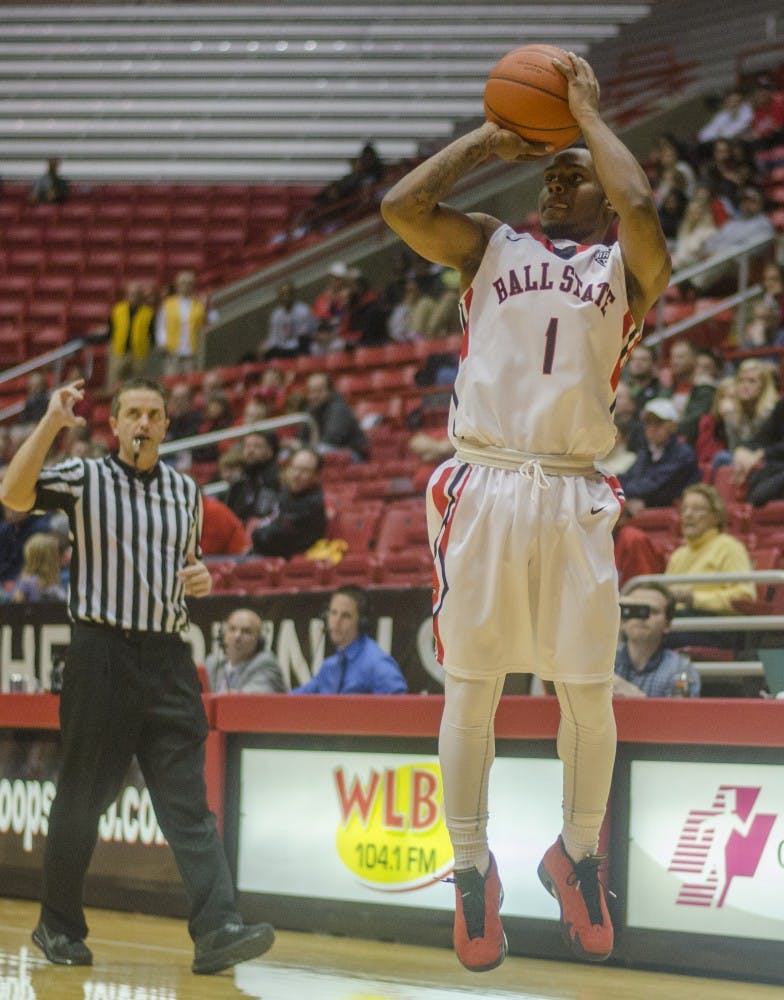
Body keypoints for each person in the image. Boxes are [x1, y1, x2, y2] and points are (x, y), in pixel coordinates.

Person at [380, 51, 671, 969]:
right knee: (474, 688)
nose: (553, 182)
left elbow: (644, 205)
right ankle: (472, 872)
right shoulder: (488, 244)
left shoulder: (629, 269)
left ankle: (574, 856)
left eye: (570, 175)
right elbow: (400, 210)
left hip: (575, 487)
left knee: (588, 693)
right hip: (488, 480)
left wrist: (583, 118)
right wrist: (486, 139)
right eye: (547, 172)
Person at [0, 376, 274, 974]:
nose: (144, 423)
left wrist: (201, 579)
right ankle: (58, 925)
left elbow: (187, 567)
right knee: (81, 799)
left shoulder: (187, 493)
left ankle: (218, 927)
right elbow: (13, 495)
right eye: (133, 414)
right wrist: (50, 423)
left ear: (167, 426)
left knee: (189, 806)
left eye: (154, 414)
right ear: (116, 426)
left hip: (169, 658)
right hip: (101, 654)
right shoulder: (86, 477)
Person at [291, 585, 407, 694]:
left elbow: (401, 708)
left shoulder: (376, 663)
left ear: (362, 622)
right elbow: (293, 699)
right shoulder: (329, 667)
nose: (336, 621)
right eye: (333, 613)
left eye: (346, 616)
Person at [665, 484, 756, 616]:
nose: (688, 515)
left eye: (697, 509)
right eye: (684, 509)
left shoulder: (729, 547)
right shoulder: (678, 555)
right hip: (677, 621)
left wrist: (694, 598)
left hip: (714, 625)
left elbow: (744, 597)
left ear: (716, 517)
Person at [614, 583, 701, 697]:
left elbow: (680, 713)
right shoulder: (603, 663)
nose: (642, 617)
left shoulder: (681, 669)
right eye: (635, 610)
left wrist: (635, 697)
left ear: (667, 625)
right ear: (622, 619)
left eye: (652, 611)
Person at [619, 398, 700, 512]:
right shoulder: (645, 452)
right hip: (644, 508)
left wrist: (623, 492)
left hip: (669, 512)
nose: (652, 428)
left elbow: (655, 488)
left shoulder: (683, 454)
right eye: (648, 423)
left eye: (658, 423)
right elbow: (628, 478)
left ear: (672, 425)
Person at [250, 446, 327, 557]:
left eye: (304, 470)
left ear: (316, 476)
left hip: (287, 563)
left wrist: (258, 533)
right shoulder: (286, 494)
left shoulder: (312, 504)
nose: (297, 475)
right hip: (263, 556)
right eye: (294, 468)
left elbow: (272, 537)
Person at [205, 608, 285, 693]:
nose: (237, 636)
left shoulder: (266, 663)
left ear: (259, 640)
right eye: (232, 629)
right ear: (223, 635)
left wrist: (230, 697)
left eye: (246, 631)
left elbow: (254, 695)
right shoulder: (212, 664)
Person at [303, 372, 368, 461]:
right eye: (310, 391)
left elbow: (331, 440)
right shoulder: (310, 409)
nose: (313, 395)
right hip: (324, 449)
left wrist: (306, 448)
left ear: (329, 391)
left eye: (318, 391)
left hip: (351, 454)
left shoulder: (339, 409)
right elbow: (302, 438)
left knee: (316, 452)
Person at [155, 271, 207, 375]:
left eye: (188, 283)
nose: (185, 286)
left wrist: (208, 306)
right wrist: (162, 343)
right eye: (183, 283)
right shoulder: (168, 304)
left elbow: (208, 323)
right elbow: (161, 325)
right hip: (173, 351)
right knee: (171, 379)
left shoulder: (199, 304)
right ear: (177, 285)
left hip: (192, 352)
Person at [107, 281, 156, 387]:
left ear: (141, 296)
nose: (134, 297)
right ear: (127, 295)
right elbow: (111, 330)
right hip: (119, 352)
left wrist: (147, 350)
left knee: (137, 382)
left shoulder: (148, 313)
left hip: (139, 354)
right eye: (131, 294)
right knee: (115, 381)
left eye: (137, 294)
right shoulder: (117, 310)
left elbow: (152, 335)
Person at [225, 430, 281, 523]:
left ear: (270, 450)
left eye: (257, 446)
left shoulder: (276, 478)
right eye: (247, 446)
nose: (250, 450)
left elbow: (264, 513)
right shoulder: (239, 481)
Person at [261, 280, 317, 360]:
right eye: (282, 295)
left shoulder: (303, 311)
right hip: (283, 349)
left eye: (287, 294)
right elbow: (274, 339)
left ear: (293, 294)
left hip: (301, 346)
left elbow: (306, 335)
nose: (285, 298)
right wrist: (266, 346)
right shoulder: (276, 315)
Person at [12, 531, 66, 602]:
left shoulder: (57, 580)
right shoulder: (27, 583)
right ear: (49, 558)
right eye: (58, 554)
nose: (62, 557)